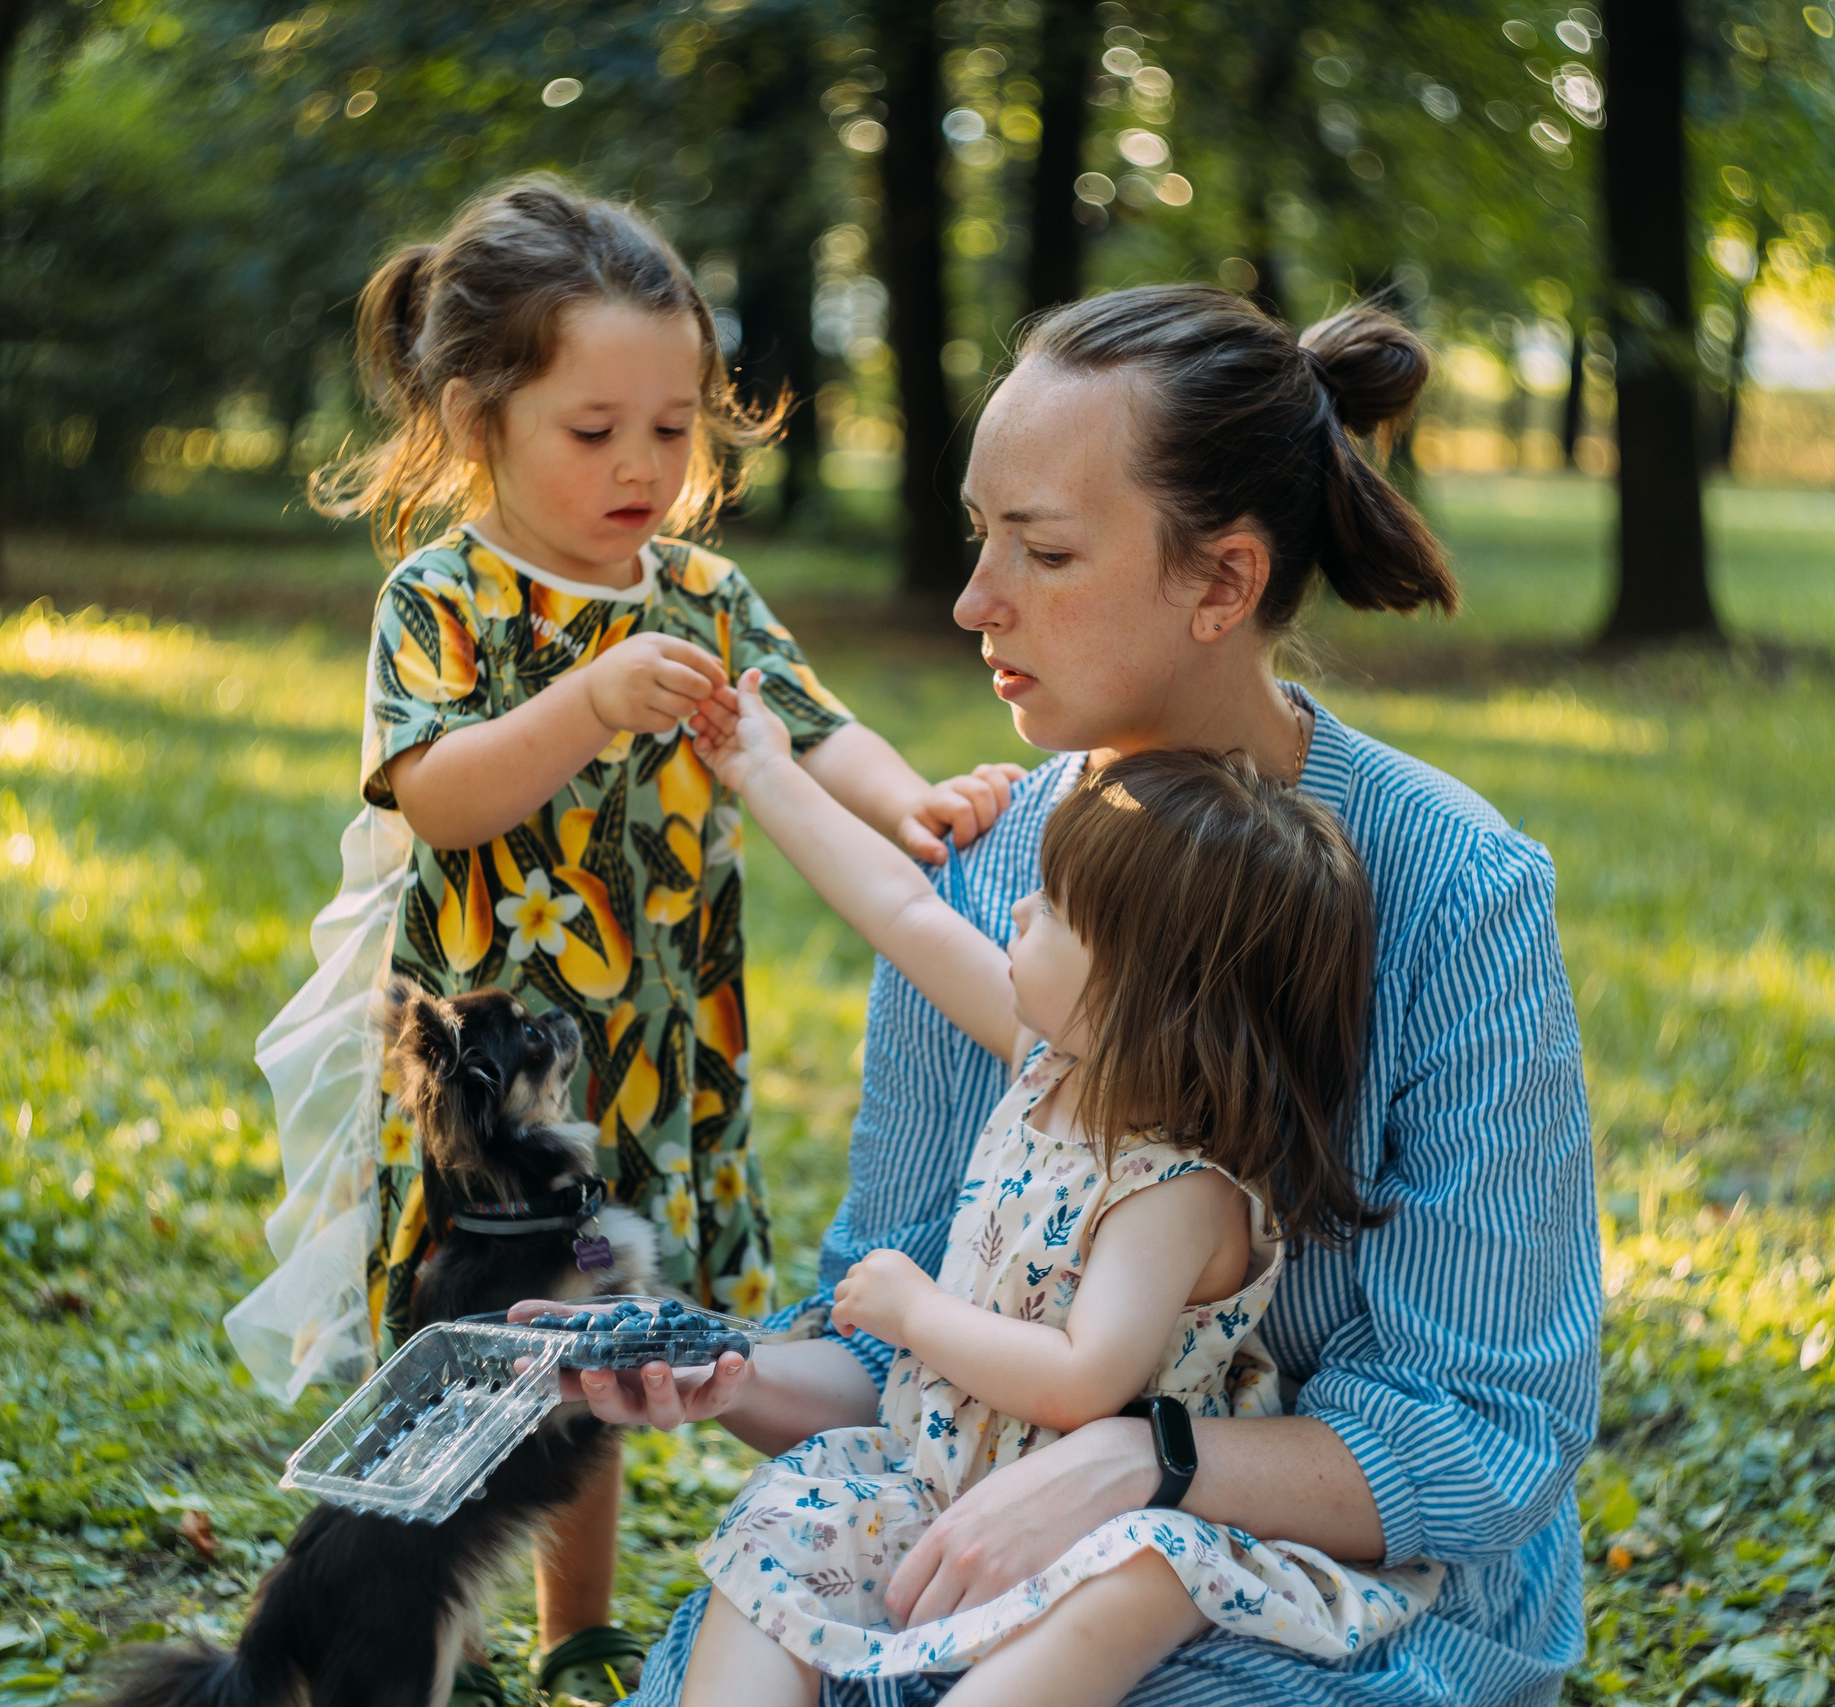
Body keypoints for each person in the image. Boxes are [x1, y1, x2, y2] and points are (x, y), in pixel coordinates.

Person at [585, 285, 1601, 1707]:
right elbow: (898, 1336)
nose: (973, 600)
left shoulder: (1454, 890)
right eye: (978, 535)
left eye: (1046, 550)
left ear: (1222, 583)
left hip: (1339, 1583)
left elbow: (1483, 1437)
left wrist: (1142, 1459)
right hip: (976, 1517)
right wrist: (727, 1372)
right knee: (769, 1621)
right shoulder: (991, 862)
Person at [227, 176, 1021, 1704]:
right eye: (594, 430)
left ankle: (572, 1624)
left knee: (604, 1333)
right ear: (478, 418)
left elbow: (813, 723)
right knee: (472, 1337)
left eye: (673, 426)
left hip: (655, 1044)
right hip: (493, 1076)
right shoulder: (444, 597)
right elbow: (440, 793)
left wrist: (912, 797)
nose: (644, 466)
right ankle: (413, 1619)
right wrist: (587, 699)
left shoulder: (705, 593)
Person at [669, 679, 1448, 1703]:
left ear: (1138, 989)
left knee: (1138, 1580)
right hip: (945, 1482)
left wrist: (916, 1312)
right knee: (780, 1525)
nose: (1017, 908)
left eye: (1054, 907)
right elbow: (903, 908)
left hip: (1103, 1520)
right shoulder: (1045, 1065)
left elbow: (1084, 1379)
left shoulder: (1176, 1190)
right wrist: (763, 770)